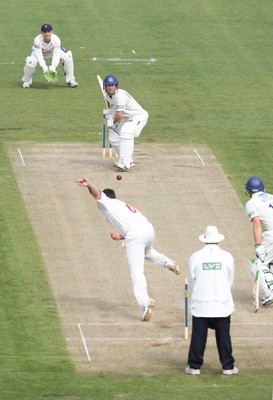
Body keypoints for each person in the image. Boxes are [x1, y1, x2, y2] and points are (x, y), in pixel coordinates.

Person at [75, 177, 181, 321]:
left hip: (136, 235)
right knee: (148, 252)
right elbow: (131, 226)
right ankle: (168, 262)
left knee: (136, 270)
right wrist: (121, 236)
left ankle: (145, 303)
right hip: (148, 230)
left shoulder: (106, 203)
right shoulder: (122, 205)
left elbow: (96, 194)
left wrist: (89, 185)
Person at [185, 225, 238, 376]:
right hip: (222, 302)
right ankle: (228, 366)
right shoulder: (227, 256)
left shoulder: (195, 256)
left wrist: (200, 292)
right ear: (218, 239)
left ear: (204, 239)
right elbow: (230, 280)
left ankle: (194, 367)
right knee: (224, 335)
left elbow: (192, 279)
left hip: (201, 302)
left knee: (198, 336)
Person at [103, 74, 149, 171]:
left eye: (112, 85)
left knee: (126, 131)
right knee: (114, 137)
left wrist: (112, 122)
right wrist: (110, 113)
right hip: (127, 118)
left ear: (116, 86)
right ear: (105, 86)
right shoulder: (108, 96)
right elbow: (116, 108)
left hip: (138, 116)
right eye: (108, 85)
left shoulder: (120, 95)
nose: (110, 87)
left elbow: (119, 114)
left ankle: (124, 163)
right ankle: (128, 160)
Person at [245, 176, 273, 306]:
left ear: (249, 191)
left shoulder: (251, 203)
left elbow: (256, 223)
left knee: (258, 265)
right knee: (270, 263)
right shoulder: (270, 196)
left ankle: (270, 293)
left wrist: (258, 245)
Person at [22, 23, 78, 88]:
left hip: (51, 53)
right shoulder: (37, 40)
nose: (47, 34)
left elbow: (56, 55)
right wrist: (44, 67)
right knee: (30, 62)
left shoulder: (56, 40)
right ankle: (26, 81)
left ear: (51, 32)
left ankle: (70, 80)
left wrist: (53, 67)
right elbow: (39, 56)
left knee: (68, 57)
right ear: (42, 33)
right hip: (39, 53)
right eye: (45, 32)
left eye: (49, 32)